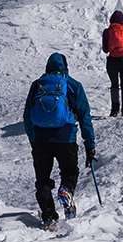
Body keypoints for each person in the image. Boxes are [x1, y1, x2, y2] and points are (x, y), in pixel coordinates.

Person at [23, 52, 96, 229]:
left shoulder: (38, 85)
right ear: (65, 66)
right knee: (69, 170)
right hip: (66, 136)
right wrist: (89, 144)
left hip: (41, 139)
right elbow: (84, 116)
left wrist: (34, 139)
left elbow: (27, 116)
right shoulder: (72, 85)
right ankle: (66, 190)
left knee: (42, 179)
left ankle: (49, 217)